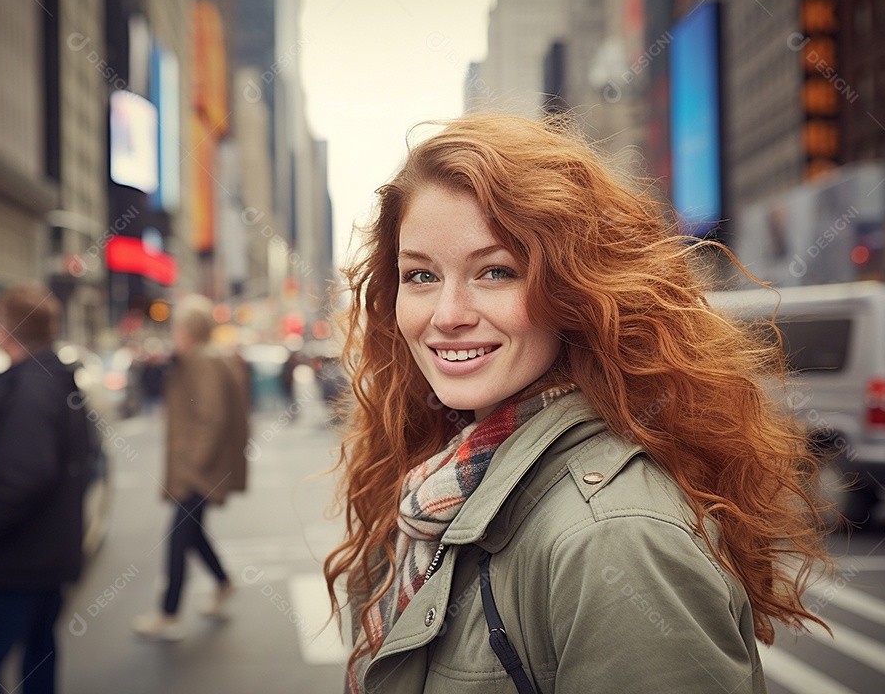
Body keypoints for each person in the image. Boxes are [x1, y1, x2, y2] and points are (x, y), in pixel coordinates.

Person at [323, 114, 832, 693]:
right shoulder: (444, 476)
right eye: (420, 275)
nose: (447, 315)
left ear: (575, 288)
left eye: (495, 271)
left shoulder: (614, 536)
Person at [0, 284, 92, 694]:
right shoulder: (52, 379)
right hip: (43, 554)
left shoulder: (28, 387)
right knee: (38, 652)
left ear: (7, 329)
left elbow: (26, 474)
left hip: (15, 559)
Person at [133, 294, 250, 640]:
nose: (175, 333)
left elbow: (212, 417)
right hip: (200, 468)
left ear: (190, 330)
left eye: (178, 327)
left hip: (199, 470)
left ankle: (168, 614)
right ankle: (223, 582)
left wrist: (193, 463)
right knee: (191, 533)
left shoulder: (203, 360)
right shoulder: (200, 358)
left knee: (177, 536)